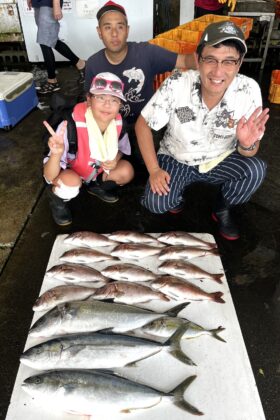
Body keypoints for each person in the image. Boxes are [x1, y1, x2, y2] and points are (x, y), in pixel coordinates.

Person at [135, 20, 270, 240]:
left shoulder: (248, 90)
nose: (218, 71)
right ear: (197, 59)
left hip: (221, 158)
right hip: (176, 157)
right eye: (210, 59)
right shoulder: (177, 82)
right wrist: (154, 170)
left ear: (239, 63)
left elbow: (250, 151)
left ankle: (222, 205)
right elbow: (143, 124)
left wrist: (247, 144)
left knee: (255, 170)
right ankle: (175, 197)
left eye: (228, 61)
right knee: (156, 203)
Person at [85, 1, 197, 128]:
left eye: (120, 27)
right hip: (110, 125)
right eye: (107, 27)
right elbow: (90, 102)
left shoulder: (146, 52)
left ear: (127, 30)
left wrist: (210, 56)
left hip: (145, 124)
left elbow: (185, 60)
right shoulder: (93, 64)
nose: (114, 34)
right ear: (99, 32)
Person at [43, 72, 134, 226]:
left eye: (114, 100)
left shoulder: (119, 123)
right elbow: (49, 175)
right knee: (70, 184)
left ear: (120, 105)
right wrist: (56, 154)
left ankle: (94, 186)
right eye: (100, 98)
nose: (107, 105)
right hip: (70, 173)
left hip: (94, 172)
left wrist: (115, 159)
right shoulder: (69, 125)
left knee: (126, 171)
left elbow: (122, 148)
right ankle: (57, 200)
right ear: (89, 100)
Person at [27, 0, 86, 94]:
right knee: (50, 39)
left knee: (44, 41)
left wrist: (56, 3)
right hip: (37, 2)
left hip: (48, 2)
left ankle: (52, 81)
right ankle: (80, 63)